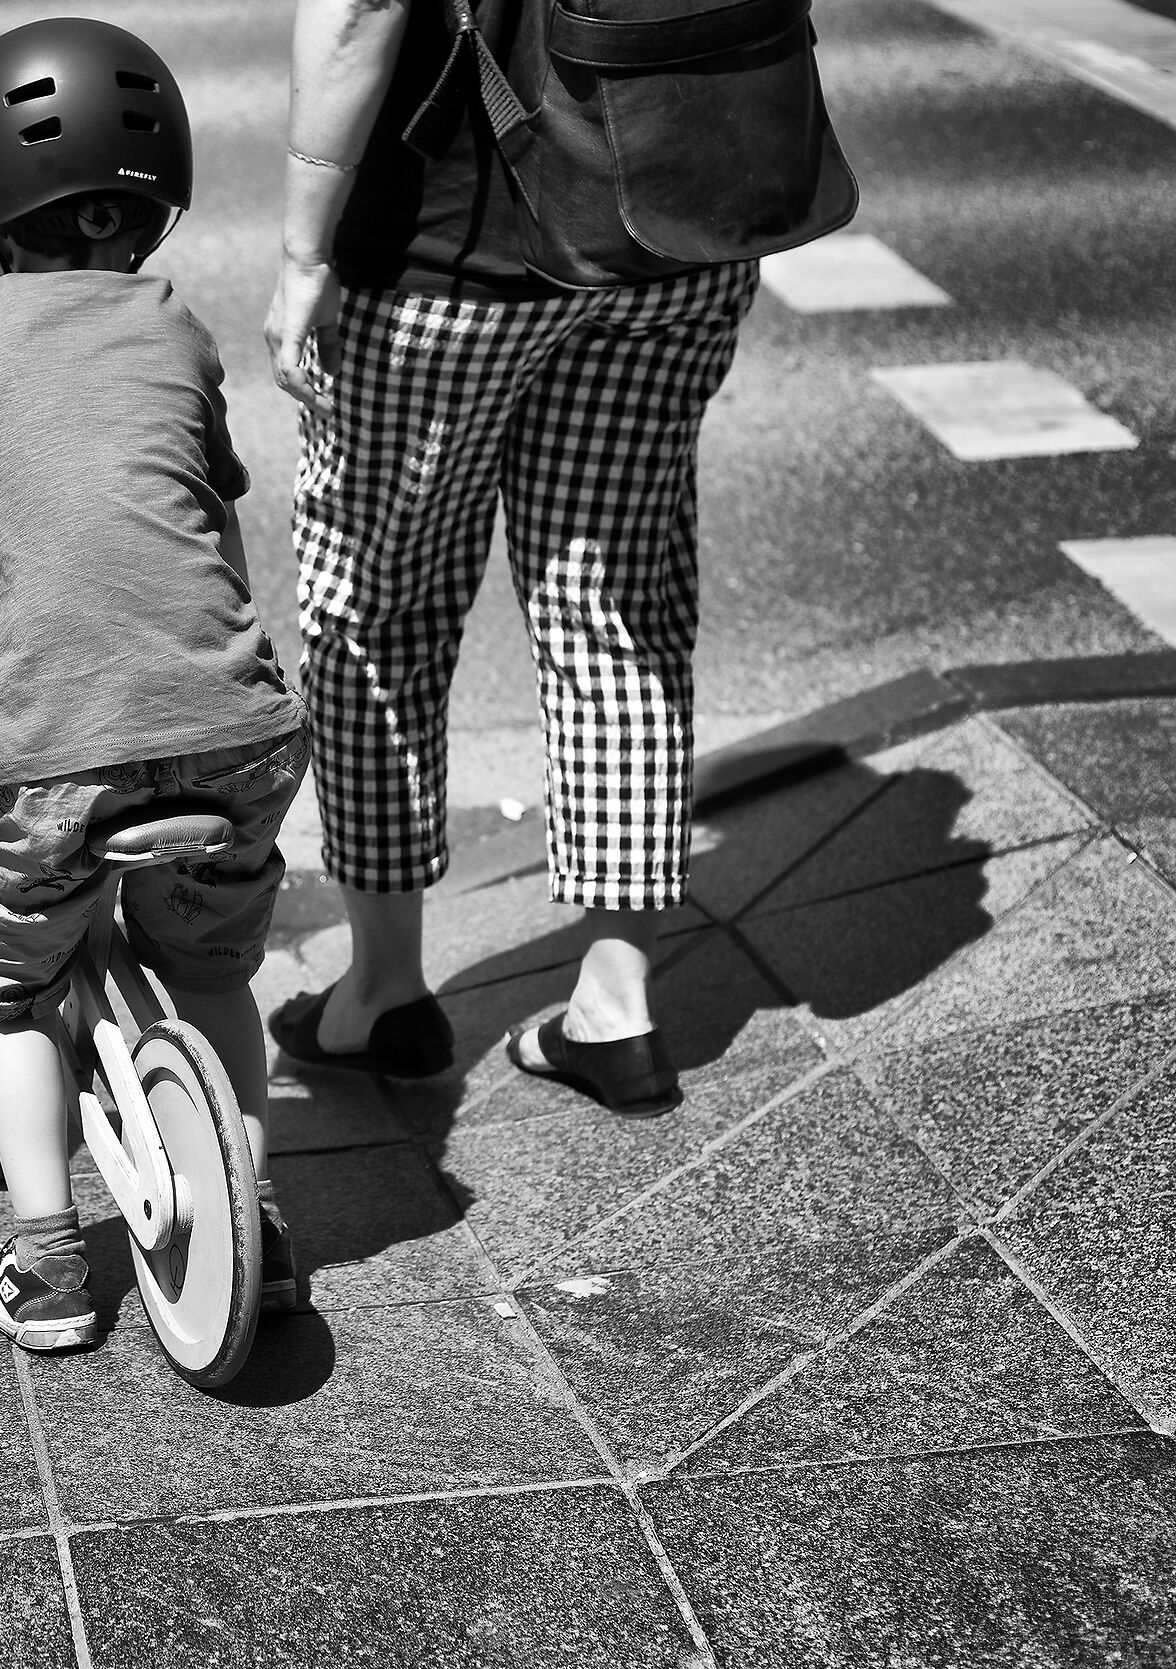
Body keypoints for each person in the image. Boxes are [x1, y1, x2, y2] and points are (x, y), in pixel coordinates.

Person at [0, 18, 308, 1351]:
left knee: (11, 992)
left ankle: (46, 1267)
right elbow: (208, 519)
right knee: (209, 973)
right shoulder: (174, 326)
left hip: (51, 755)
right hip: (242, 731)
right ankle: (252, 1216)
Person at [260, 0, 762, 1117]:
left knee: (377, 615)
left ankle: (385, 990)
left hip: (448, 260)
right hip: (674, 223)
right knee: (618, 602)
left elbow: (362, 10)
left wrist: (304, 252)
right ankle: (615, 999)